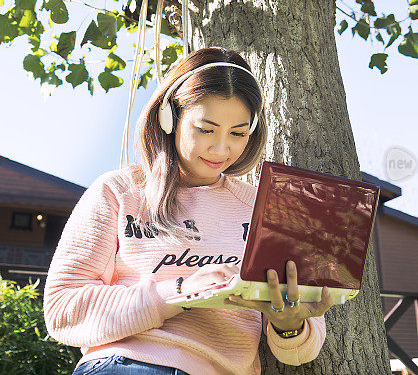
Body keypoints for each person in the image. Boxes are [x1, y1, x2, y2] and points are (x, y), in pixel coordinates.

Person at [43, 46, 335, 375]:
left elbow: (299, 352)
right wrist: (180, 292)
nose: (221, 148)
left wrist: (290, 326)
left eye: (238, 133)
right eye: (206, 129)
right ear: (170, 117)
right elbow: (62, 307)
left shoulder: (266, 212)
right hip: (125, 364)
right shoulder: (119, 190)